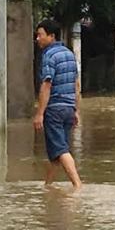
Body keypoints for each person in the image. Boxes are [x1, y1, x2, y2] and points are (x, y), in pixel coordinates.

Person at [33, 19, 82, 191]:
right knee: (56, 153)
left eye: (40, 35)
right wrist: (75, 110)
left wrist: (39, 113)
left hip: (54, 109)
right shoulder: (69, 54)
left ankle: (77, 186)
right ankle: (48, 187)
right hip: (68, 109)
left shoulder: (49, 55)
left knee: (60, 150)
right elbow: (76, 85)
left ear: (51, 36)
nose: (37, 39)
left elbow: (46, 85)